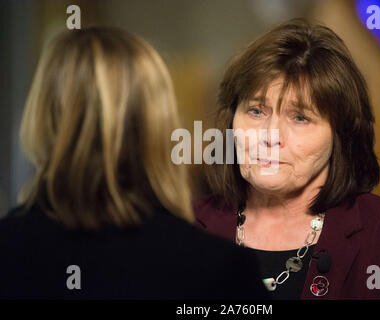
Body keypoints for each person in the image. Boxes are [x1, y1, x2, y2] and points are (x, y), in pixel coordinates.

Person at [0, 27, 268, 300]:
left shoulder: (9, 251)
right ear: (158, 122)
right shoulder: (219, 270)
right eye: (257, 110)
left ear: (41, 116)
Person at [194, 18, 380, 299]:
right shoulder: (183, 229)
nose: (270, 135)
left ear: (340, 135)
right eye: (256, 111)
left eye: (300, 117)